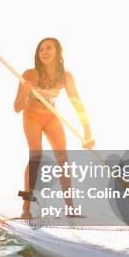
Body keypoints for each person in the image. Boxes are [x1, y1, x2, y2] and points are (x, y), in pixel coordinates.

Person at [13, 37, 95, 218]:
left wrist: (87, 131)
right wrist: (25, 89)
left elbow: (77, 103)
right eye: (41, 49)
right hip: (31, 116)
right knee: (36, 155)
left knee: (63, 159)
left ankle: (71, 208)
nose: (44, 52)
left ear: (58, 51)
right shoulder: (30, 74)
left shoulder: (66, 76)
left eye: (49, 48)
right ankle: (26, 209)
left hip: (51, 116)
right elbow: (17, 107)